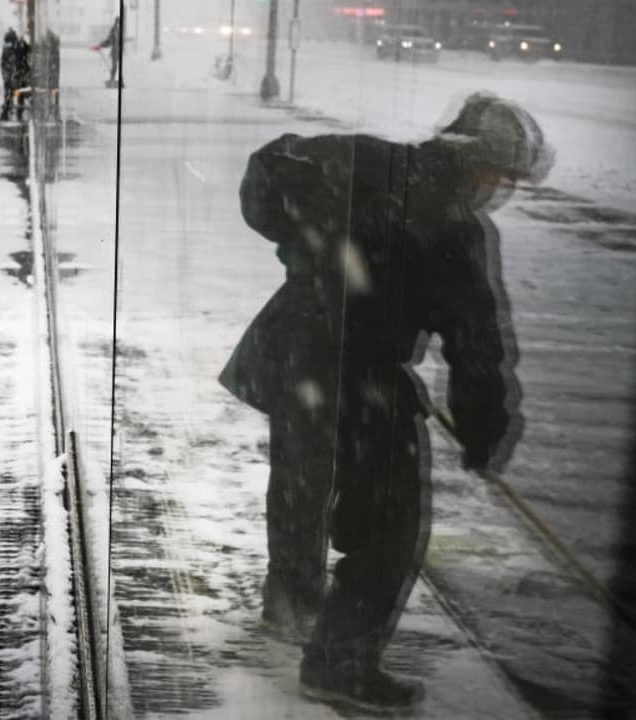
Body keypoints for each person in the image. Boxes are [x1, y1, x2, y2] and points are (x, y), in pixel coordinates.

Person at [219, 92, 551, 711]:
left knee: (301, 482)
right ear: (475, 162)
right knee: (389, 525)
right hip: (355, 374)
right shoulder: (454, 227)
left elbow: (267, 172)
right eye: (497, 177)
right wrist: (483, 430)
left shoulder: (370, 162)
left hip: (296, 350)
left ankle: (291, 602)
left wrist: (307, 245)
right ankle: (338, 664)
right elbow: (474, 348)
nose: (497, 191)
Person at [0, 27, 30, 122]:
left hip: (11, 75)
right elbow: (26, 54)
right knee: (19, 92)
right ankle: (16, 112)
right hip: (16, 75)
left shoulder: (7, 48)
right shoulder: (17, 46)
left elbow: (5, 65)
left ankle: (7, 112)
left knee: (10, 93)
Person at [91, 15, 121, 86]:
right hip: (115, 50)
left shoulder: (117, 30)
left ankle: (113, 79)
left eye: (118, 23)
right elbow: (109, 41)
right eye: (117, 23)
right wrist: (100, 45)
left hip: (117, 50)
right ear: (116, 23)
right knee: (114, 65)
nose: (118, 24)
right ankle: (112, 79)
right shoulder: (114, 30)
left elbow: (110, 40)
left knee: (115, 65)